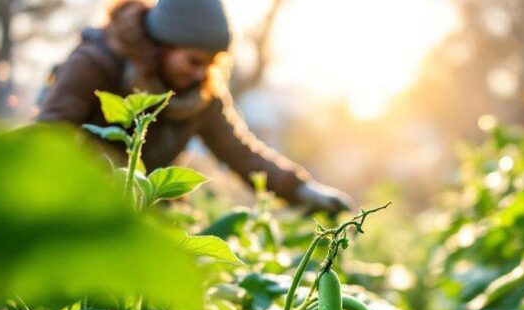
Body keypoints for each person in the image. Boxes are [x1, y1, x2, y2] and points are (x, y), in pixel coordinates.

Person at [36, 0, 352, 215]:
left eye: (211, 63)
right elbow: (48, 136)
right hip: (77, 206)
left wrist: (301, 189)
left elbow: (240, 151)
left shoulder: (200, 96)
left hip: (148, 215)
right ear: (163, 44)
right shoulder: (97, 62)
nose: (201, 72)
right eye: (194, 60)